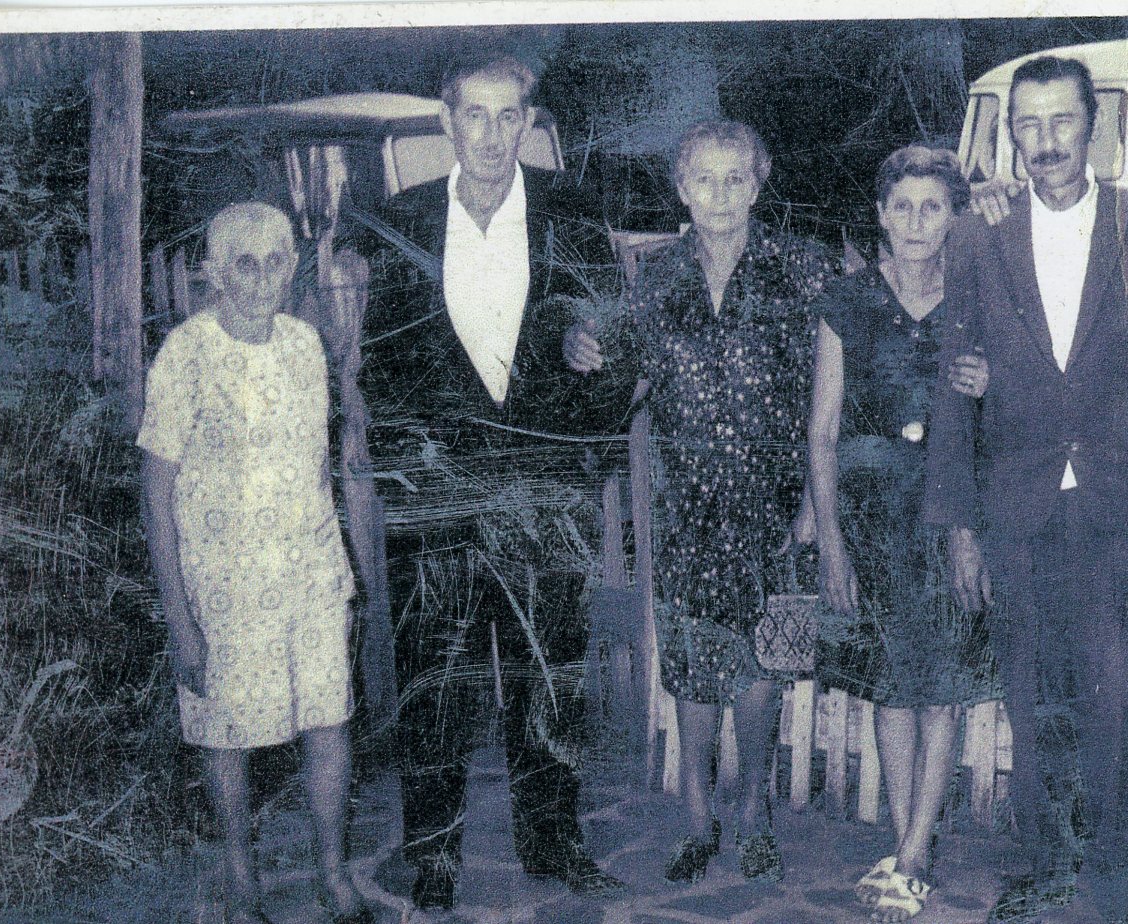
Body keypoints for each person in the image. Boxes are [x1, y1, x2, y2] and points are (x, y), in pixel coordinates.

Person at [924, 56, 1128, 924]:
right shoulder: (978, 235)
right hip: (1017, 502)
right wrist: (960, 527)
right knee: (1030, 699)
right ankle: (1043, 865)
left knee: (1115, 699)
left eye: (1062, 122)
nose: (1045, 142)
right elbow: (954, 384)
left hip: (1114, 503)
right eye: (1028, 125)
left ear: (1095, 128)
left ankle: (1113, 875)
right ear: (1011, 135)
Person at [354, 50, 629, 909]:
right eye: (473, 114)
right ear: (447, 122)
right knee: (434, 677)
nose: (490, 134)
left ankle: (554, 842)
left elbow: (613, 342)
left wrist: (590, 361)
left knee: (551, 672)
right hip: (439, 494)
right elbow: (379, 368)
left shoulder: (571, 212)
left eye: (508, 115)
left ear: (528, 125)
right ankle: (434, 857)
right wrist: (414, 473)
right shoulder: (401, 218)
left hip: (543, 489)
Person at [565, 119, 833, 886]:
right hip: (685, 507)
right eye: (704, 180)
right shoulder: (656, 276)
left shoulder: (804, 269)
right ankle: (696, 819)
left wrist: (813, 507)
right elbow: (617, 364)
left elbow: (833, 393)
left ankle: (753, 811)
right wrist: (581, 346)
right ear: (682, 189)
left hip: (775, 507)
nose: (719, 195)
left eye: (734, 178)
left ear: (758, 183)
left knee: (762, 667)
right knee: (689, 669)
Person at [140, 202, 373, 924]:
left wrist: (337, 575)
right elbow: (155, 496)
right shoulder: (185, 354)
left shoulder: (306, 345)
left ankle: (332, 875)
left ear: (293, 266)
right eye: (245, 263)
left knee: (328, 721)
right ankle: (242, 886)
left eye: (277, 261)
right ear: (214, 272)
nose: (264, 278)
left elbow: (316, 469)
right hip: (225, 588)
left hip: (309, 576)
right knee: (227, 735)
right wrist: (180, 620)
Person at [806, 145, 998, 922]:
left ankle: (913, 855)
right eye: (903, 206)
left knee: (941, 687)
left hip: (948, 516)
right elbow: (821, 433)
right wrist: (831, 545)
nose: (917, 222)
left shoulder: (978, 301)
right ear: (881, 215)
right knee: (890, 687)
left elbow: (1005, 421)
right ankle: (905, 846)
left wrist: (993, 384)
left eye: (933, 207)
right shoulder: (846, 302)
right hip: (870, 520)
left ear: (953, 217)